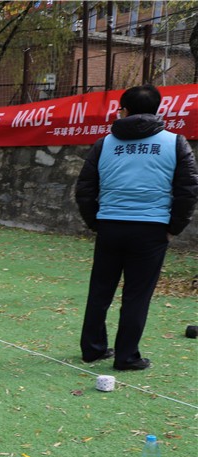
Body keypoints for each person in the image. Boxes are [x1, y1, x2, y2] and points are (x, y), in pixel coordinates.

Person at [75, 84, 198, 370]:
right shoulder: (175, 142)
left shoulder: (104, 144)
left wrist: (96, 222)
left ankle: (92, 350)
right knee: (137, 295)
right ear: (157, 109)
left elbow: (85, 189)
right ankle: (127, 356)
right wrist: (173, 228)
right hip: (151, 229)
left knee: (100, 291)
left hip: (110, 225)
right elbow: (187, 191)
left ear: (125, 110)